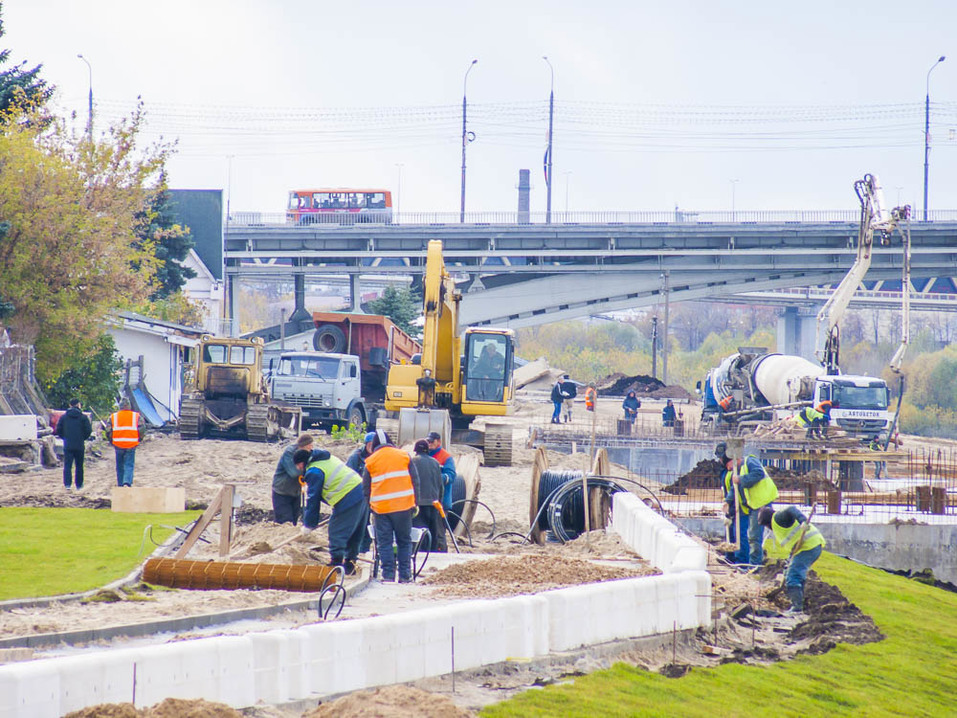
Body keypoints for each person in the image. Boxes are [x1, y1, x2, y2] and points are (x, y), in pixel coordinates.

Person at [294, 446, 369, 576]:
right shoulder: (326, 459)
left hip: (348, 495)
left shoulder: (314, 471)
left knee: (337, 530)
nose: (298, 469)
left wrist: (309, 524)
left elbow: (313, 500)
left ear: (301, 463)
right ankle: (351, 563)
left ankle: (336, 563)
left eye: (298, 466)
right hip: (361, 490)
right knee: (355, 530)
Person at [362, 429, 419, 583]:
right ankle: (405, 575)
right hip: (403, 507)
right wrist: (415, 503)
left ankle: (387, 575)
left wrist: (371, 506)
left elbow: (366, 487)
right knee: (404, 541)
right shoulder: (403, 455)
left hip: (381, 509)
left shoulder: (371, 461)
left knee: (384, 542)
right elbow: (415, 481)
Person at [757, 506, 826, 613]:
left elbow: (791, 509)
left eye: (766, 525)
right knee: (794, 572)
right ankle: (800, 601)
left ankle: (797, 607)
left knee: (793, 576)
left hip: (809, 546)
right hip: (807, 547)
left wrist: (803, 521)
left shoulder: (778, 518)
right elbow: (792, 542)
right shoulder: (777, 525)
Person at [718, 443, 778, 566]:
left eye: (726, 463)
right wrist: (727, 501)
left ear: (732, 461)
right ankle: (750, 563)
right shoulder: (738, 470)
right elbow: (734, 489)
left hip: (762, 503)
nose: (726, 467)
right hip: (753, 505)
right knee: (751, 535)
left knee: (754, 536)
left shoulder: (750, 462)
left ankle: (754, 565)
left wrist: (741, 479)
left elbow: (758, 474)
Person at [716, 442, 750, 566]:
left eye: (721, 458)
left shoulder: (737, 469)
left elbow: (736, 489)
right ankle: (729, 557)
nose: (719, 461)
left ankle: (742, 561)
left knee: (740, 534)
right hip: (731, 506)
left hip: (741, 506)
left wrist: (730, 503)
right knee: (730, 532)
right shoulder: (725, 471)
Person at [272, 434, 314, 525]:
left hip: (295, 492)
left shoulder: (310, 453)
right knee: (285, 522)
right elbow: (293, 473)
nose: (311, 448)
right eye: (310, 446)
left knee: (294, 522)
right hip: (282, 492)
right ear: (304, 446)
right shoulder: (289, 453)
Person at [411, 438, 444, 552]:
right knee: (432, 535)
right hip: (434, 504)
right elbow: (440, 486)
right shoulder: (435, 463)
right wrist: (439, 502)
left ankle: (420, 558)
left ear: (416, 451)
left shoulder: (412, 462)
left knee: (418, 536)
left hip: (418, 505)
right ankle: (433, 556)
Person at [427, 430, 455, 552]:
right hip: (428, 501)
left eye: (431, 441)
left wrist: (436, 477)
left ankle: (441, 553)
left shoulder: (446, 457)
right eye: (427, 441)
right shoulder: (426, 454)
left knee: (439, 532)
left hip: (441, 502)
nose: (429, 444)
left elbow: (451, 476)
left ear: (438, 442)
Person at [55, 398, 92, 490]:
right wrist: (82, 438)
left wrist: (65, 437)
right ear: (79, 405)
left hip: (68, 444)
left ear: (70, 405)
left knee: (67, 465)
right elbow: (88, 430)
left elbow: (58, 430)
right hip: (79, 445)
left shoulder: (64, 417)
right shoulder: (83, 417)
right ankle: (79, 485)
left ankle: (67, 484)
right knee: (79, 465)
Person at [107, 398, 144, 488]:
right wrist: (139, 439)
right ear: (129, 406)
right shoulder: (136, 416)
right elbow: (142, 429)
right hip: (131, 444)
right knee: (129, 464)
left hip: (118, 444)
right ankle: (127, 482)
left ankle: (120, 484)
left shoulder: (113, 417)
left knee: (119, 465)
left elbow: (108, 431)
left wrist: (111, 441)